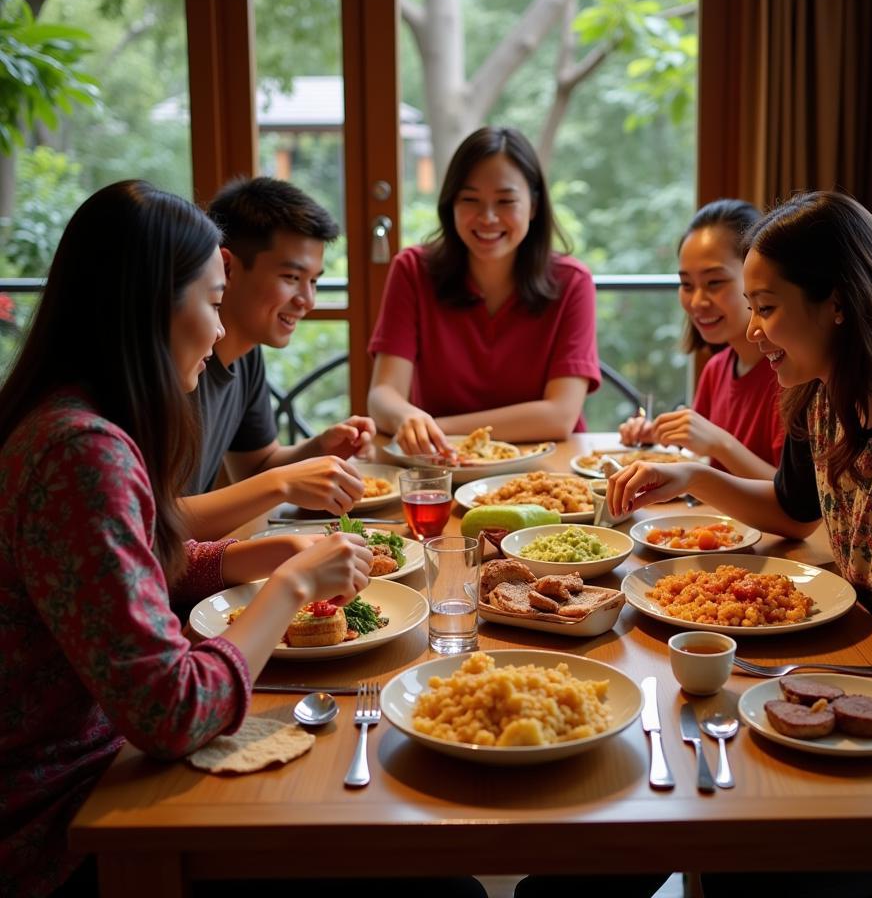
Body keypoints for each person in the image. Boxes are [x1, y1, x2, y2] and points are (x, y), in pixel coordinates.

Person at [607, 191, 872, 894]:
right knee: (725, 796)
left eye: (765, 306)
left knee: (779, 861)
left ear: (836, 301)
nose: (753, 328)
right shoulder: (822, 394)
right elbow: (794, 511)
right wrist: (688, 475)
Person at [0, 181, 373, 897]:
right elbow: (169, 714)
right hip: (62, 824)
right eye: (210, 300)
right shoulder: (81, 452)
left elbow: (130, 573)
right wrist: (292, 587)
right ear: (150, 307)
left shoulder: (74, 417)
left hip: (104, 776)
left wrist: (242, 555)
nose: (217, 327)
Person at [367, 126, 600, 456]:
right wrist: (407, 416)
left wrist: (433, 427)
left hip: (546, 471)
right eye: (470, 200)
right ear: (451, 205)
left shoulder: (572, 282)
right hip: (441, 469)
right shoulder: (413, 271)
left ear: (533, 206)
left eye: (505, 201)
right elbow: (383, 393)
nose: (488, 217)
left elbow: (560, 415)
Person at [180, 177, 375, 541]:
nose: (308, 300)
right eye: (291, 277)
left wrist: (319, 449)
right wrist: (282, 482)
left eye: (314, 281)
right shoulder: (180, 364)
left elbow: (255, 466)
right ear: (227, 267)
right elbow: (156, 520)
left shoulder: (246, 355)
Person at [619, 199, 782, 478]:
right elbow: (701, 455)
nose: (696, 301)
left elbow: (799, 504)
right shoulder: (716, 369)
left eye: (714, 282)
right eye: (686, 284)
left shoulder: (790, 376)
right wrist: (658, 436)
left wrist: (719, 443)